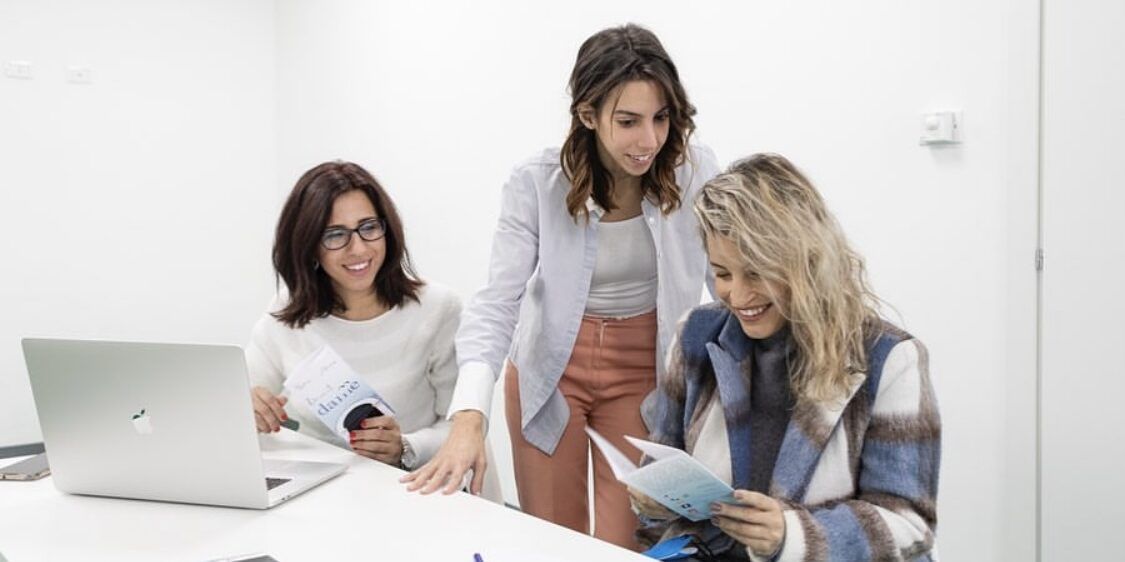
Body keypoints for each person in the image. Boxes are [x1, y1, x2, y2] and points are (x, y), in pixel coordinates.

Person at [401, 24, 720, 551]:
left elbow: (728, 278)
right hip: (550, 375)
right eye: (628, 121)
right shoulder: (537, 182)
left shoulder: (692, 172)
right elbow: (496, 306)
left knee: (629, 543)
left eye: (661, 118)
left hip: (643, 373)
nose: (649, 141)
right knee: (552, 542)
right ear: (588, 115)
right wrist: (467, 418)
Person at [632, 153, 941, 560]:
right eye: (723, 274)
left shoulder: (889, 359)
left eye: (757, 273)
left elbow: (908, 524)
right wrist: (653, 499)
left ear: (806, 260)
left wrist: (791, 536)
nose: (738, 297)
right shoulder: (695, 335)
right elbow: (663, 475)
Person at [246, 161, 460, 472]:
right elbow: (239, 396)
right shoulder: (287, 314)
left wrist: (406, 447)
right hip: (318, 489)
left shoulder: (438, 309)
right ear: (308, 246)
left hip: (409, 489)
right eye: (335, 235)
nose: (358, 248)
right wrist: (249, 408)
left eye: (369, 227)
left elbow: (464, 427)